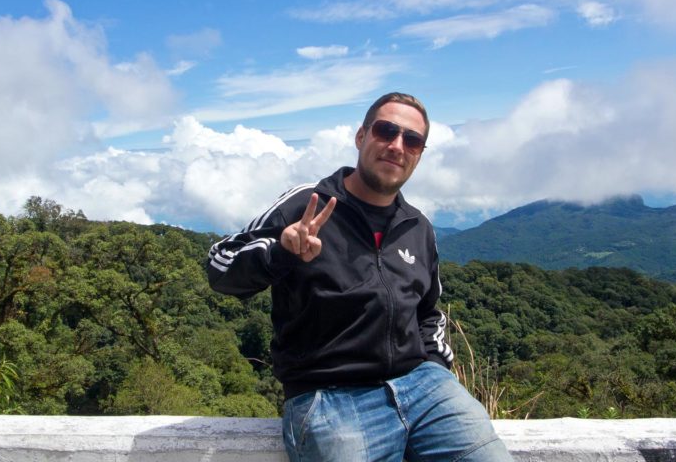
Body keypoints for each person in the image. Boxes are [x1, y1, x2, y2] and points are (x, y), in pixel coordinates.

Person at [206, 92, 513, 462]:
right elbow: (219, 266)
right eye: (386, 131)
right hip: (331, 396)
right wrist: (280, 254)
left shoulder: (418, 227)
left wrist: (434, 367)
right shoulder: (307, 203)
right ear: (361, 137)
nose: (397, 146)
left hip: (424, 386)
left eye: (412, 140)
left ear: (419, 154)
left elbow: (429, 312)